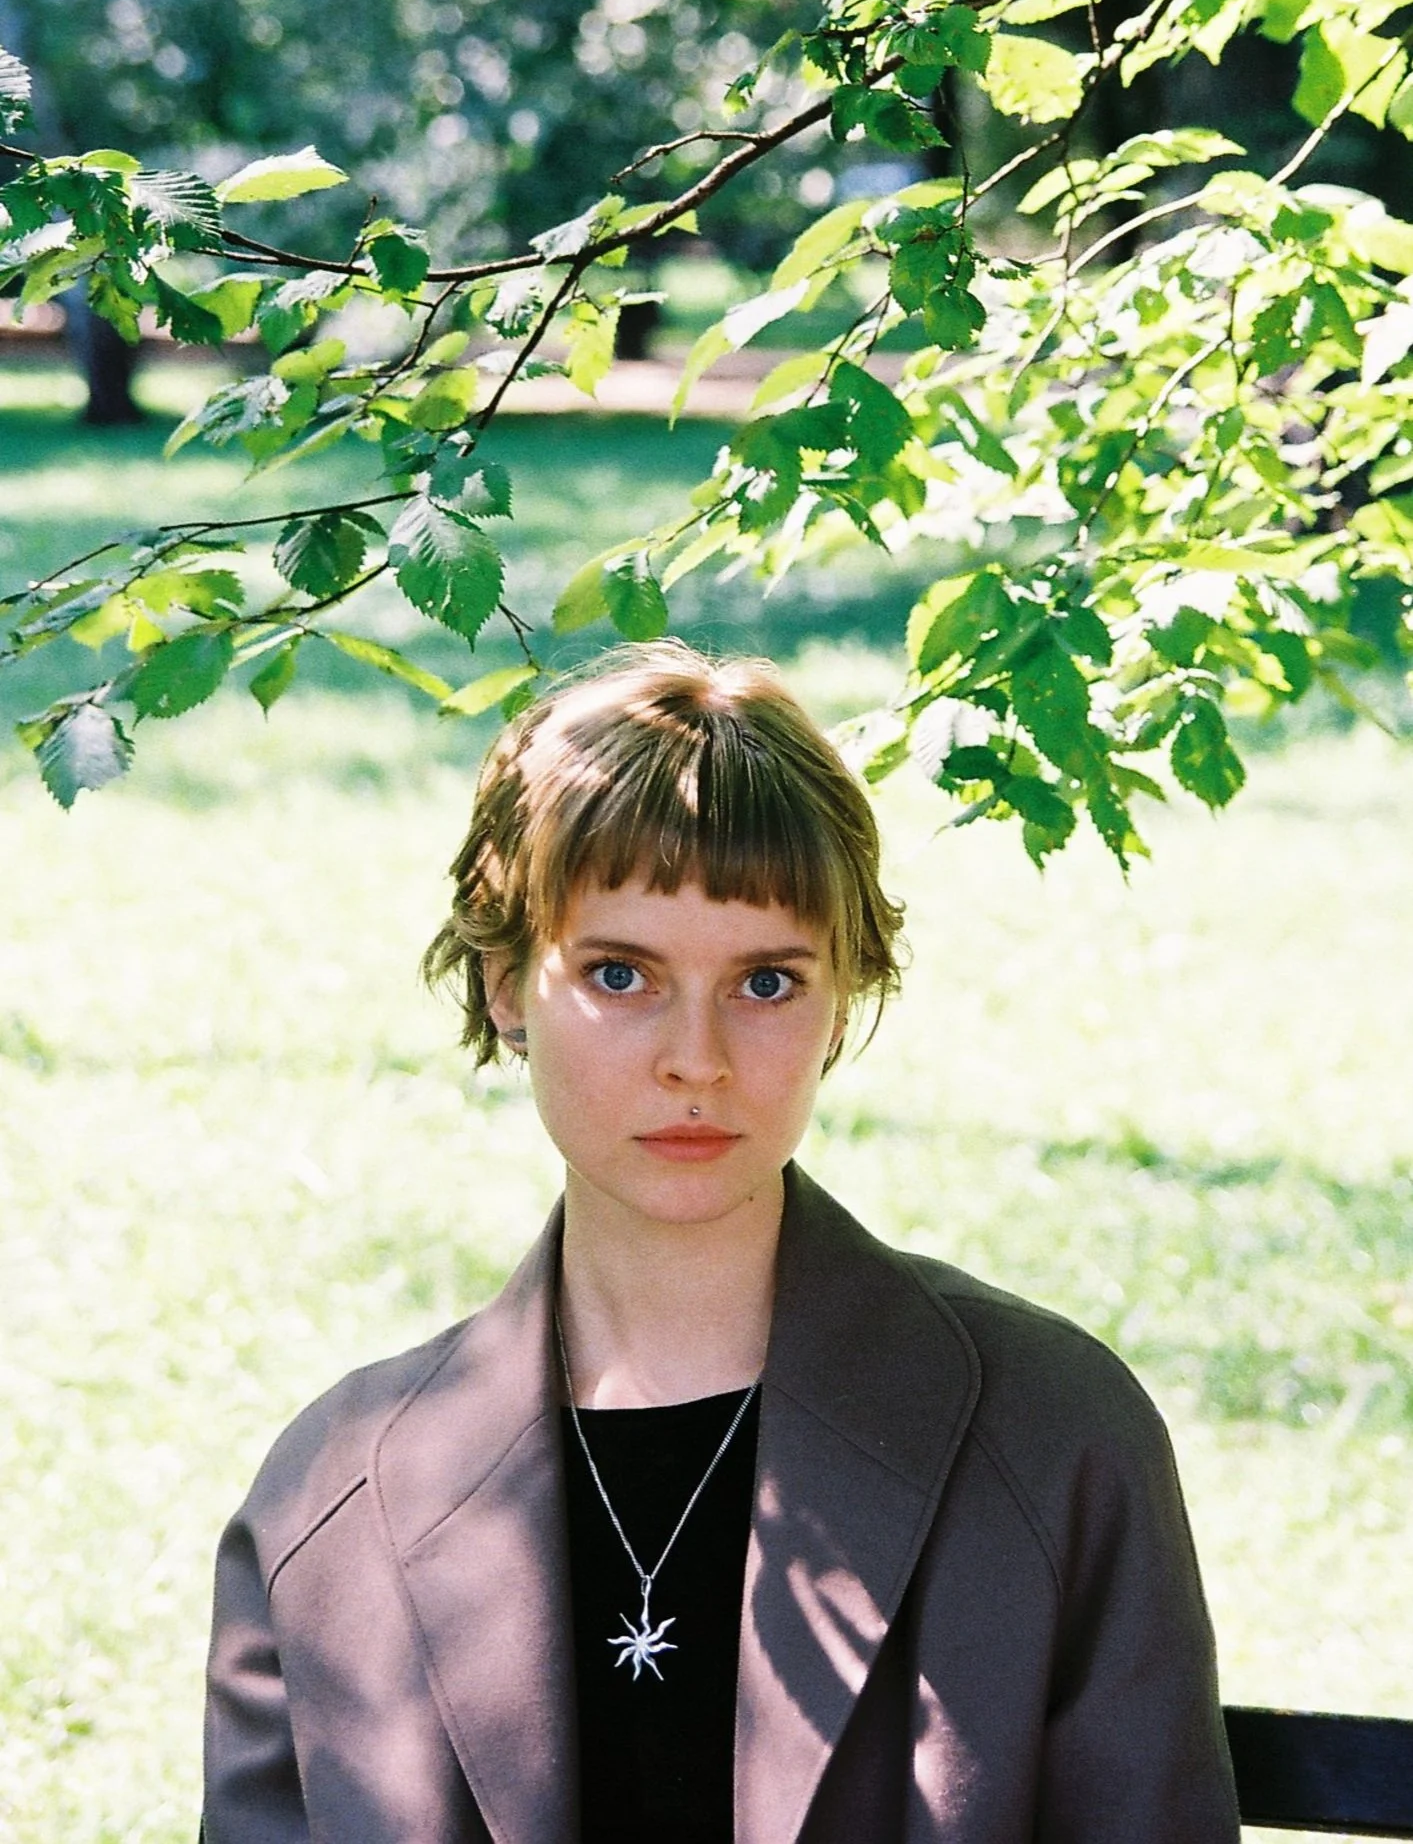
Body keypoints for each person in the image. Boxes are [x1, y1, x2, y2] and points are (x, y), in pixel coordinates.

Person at [201, 640, 1241, 1844]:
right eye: (620, 972)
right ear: (504, 983)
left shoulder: (1053, 1439)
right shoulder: (336, 1499)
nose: (695, 1058)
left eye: (765, 983)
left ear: (842, 996)